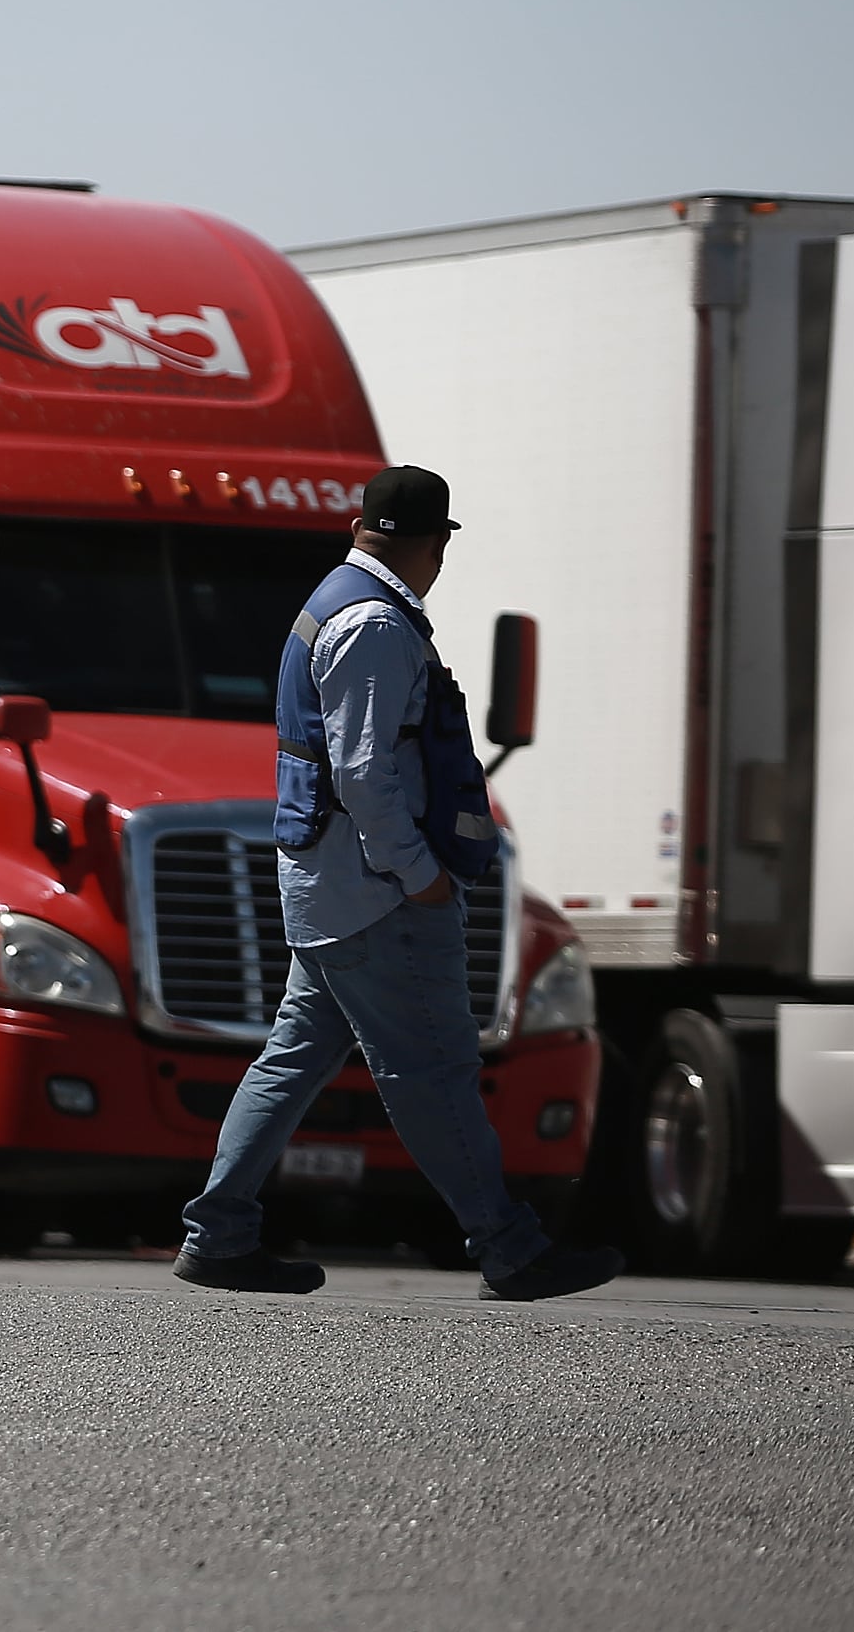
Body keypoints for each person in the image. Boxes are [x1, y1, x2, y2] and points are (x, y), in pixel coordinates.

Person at [176, 465, 625, 1302]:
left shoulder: (330, 602)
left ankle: (219, 1232)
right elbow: (363, 776)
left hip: (329, 890)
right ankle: (509, 1247)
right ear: (434, 544)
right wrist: (417, 876)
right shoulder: (376, 625)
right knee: (433, 1071)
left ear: (360, 525)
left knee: (292, 1059)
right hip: (376, 894)